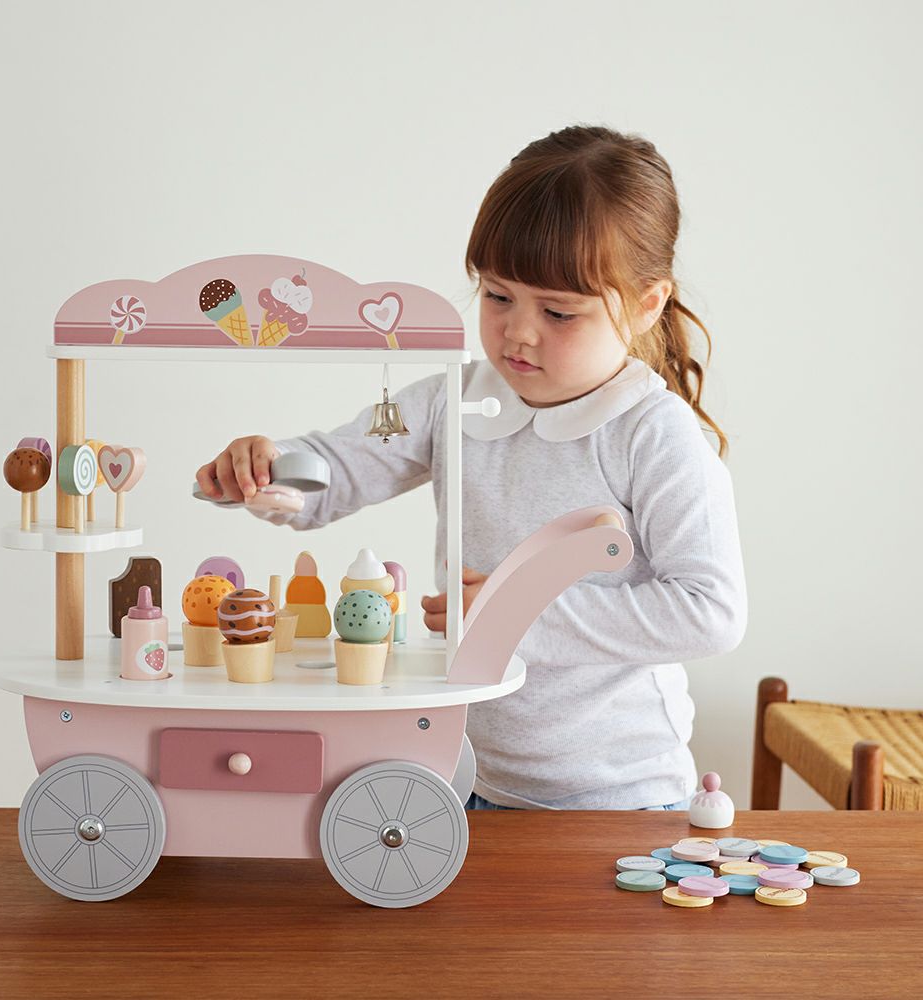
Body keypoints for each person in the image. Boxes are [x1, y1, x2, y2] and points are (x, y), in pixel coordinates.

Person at [195, 124, 747, 811]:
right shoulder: (450, 400)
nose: (518, 331)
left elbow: (711, 611)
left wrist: (514, 611)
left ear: (645, 305)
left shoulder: (652, 433)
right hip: (473, 781)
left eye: (558, 312)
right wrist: (265, 468)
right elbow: (337, 470)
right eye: (496, 295)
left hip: (623, 797)